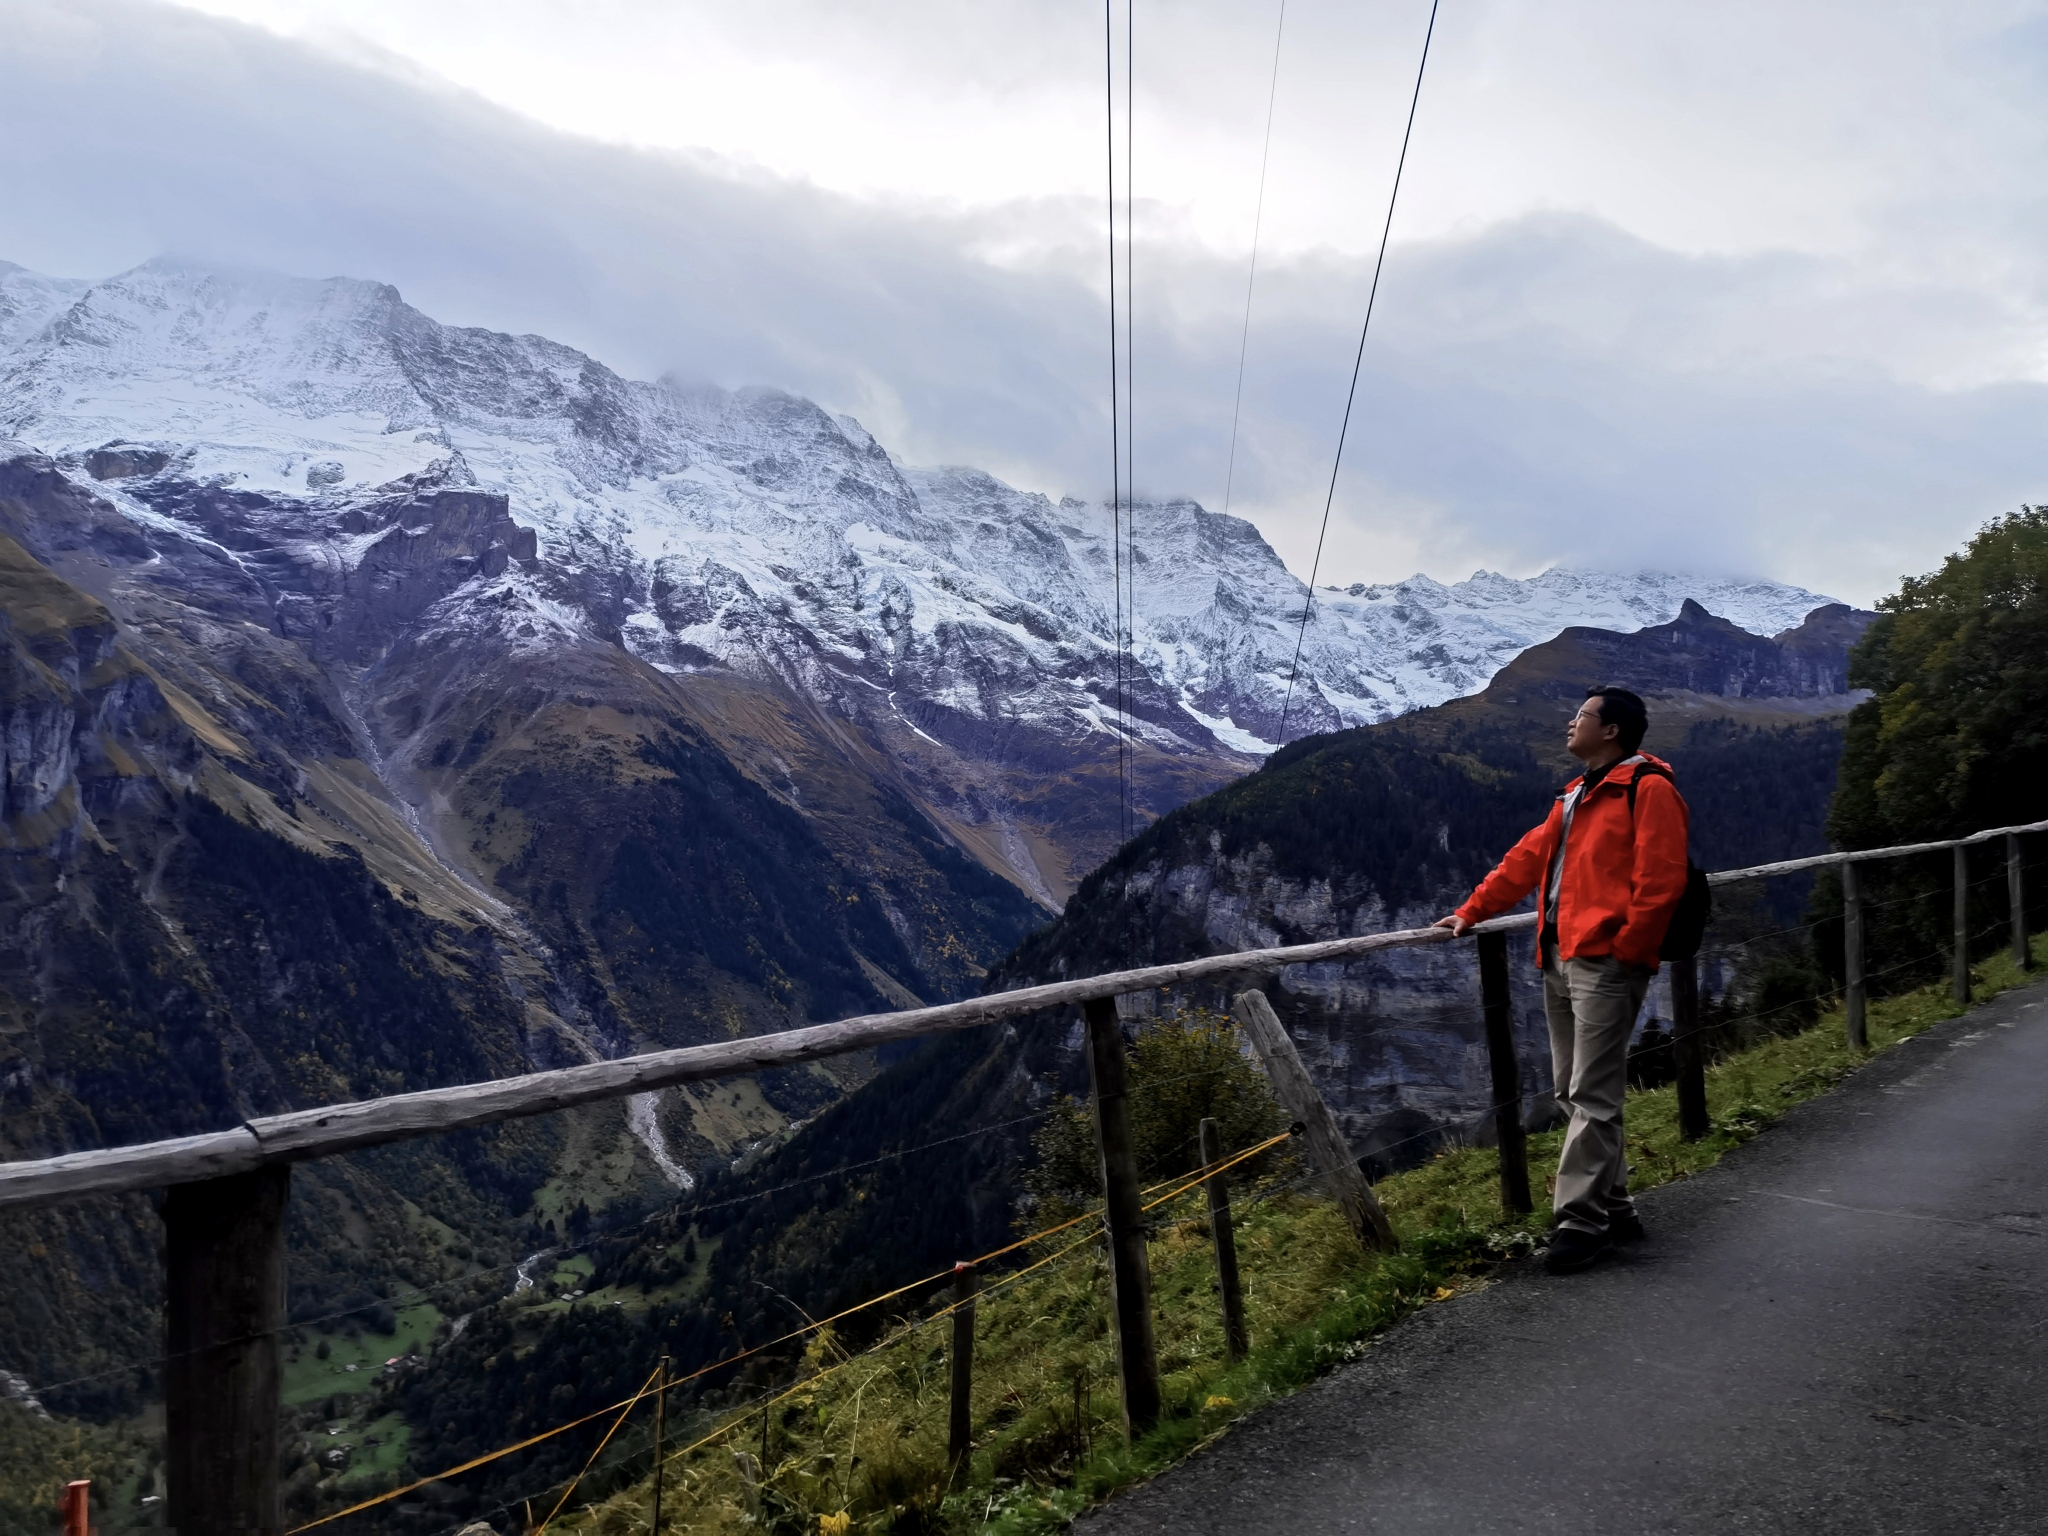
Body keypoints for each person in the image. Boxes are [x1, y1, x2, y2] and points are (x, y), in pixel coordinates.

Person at [1433, 686, 1691, 1274]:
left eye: (1581, 716)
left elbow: (1662, 880)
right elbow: (1525, 859)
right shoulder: (1576, 794)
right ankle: (1615, 1205)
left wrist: (1628, 950)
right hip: (1557, 955)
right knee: (1573, 1090)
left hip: (1604, 960)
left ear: (1613, 731)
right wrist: (1473, 910)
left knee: (1591, 1093)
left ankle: (1580, 1221)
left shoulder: (1648, 789)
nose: (1570, 724)